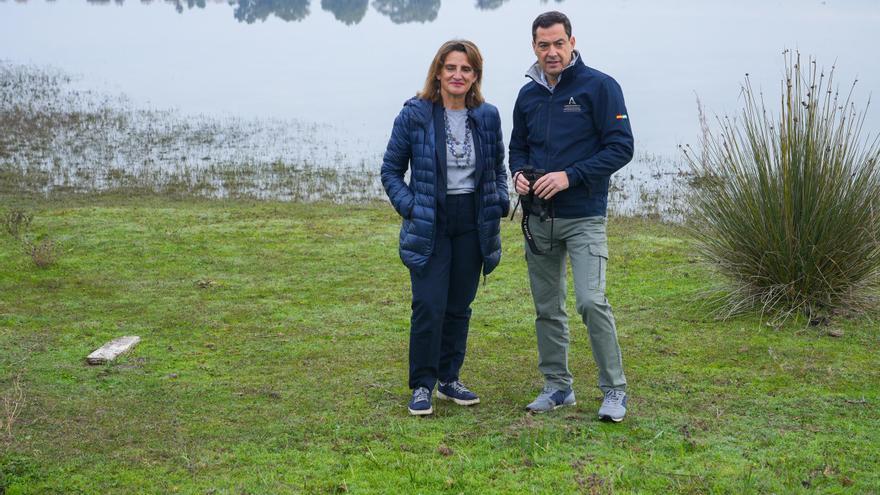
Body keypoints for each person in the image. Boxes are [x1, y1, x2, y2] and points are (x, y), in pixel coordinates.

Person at [509, 11, 634, 422]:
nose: (551, 52)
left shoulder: (600, 86)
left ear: (572, 42)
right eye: (543, 45)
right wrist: (520, 176)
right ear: (534, 47)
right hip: (538, 219)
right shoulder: (527, 96)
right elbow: (518, 149)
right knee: (547, 308)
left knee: (591, 301)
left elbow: (620, 148)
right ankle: (557, 387)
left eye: (558, 43)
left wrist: (569, 176)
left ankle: (614, 390)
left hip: (584, 216)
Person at [381, 40, 509, 416]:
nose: (458, 75)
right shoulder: (415, 115)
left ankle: (449, 379)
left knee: (458, 306)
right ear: (438, 72)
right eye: (451, 67)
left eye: (466, 69)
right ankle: (422, 384)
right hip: (430, 221)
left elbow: (498, 168)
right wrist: (411, 207)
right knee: (428, 305)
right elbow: (390, 171)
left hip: (472, 221)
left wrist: (500, 201)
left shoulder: (488, 116)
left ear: (475, 77)